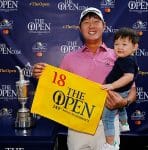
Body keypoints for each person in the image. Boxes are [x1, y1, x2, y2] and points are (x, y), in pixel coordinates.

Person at [32, 7, 137, 150]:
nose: (91, 25)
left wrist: (123, 102)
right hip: (77, 126)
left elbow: (132, 91)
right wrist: (42, 75)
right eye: (86, 22)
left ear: (104, 26)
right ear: (80, 28)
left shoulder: (119, 56)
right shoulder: (69, 58)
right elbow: (56, 87)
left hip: (107, 125)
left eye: (96, 21)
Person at [101, 27, 139, 150]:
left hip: (117, 92)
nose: (119, 47)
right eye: (116, 44)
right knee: (121, 107)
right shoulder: (126, 59)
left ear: (135, 47)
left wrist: (111, 86)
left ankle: (111, 145)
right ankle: (124, 124)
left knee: (107, 118)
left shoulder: (127, 60)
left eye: (124, 44)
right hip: (122, 91)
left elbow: (128, 77)